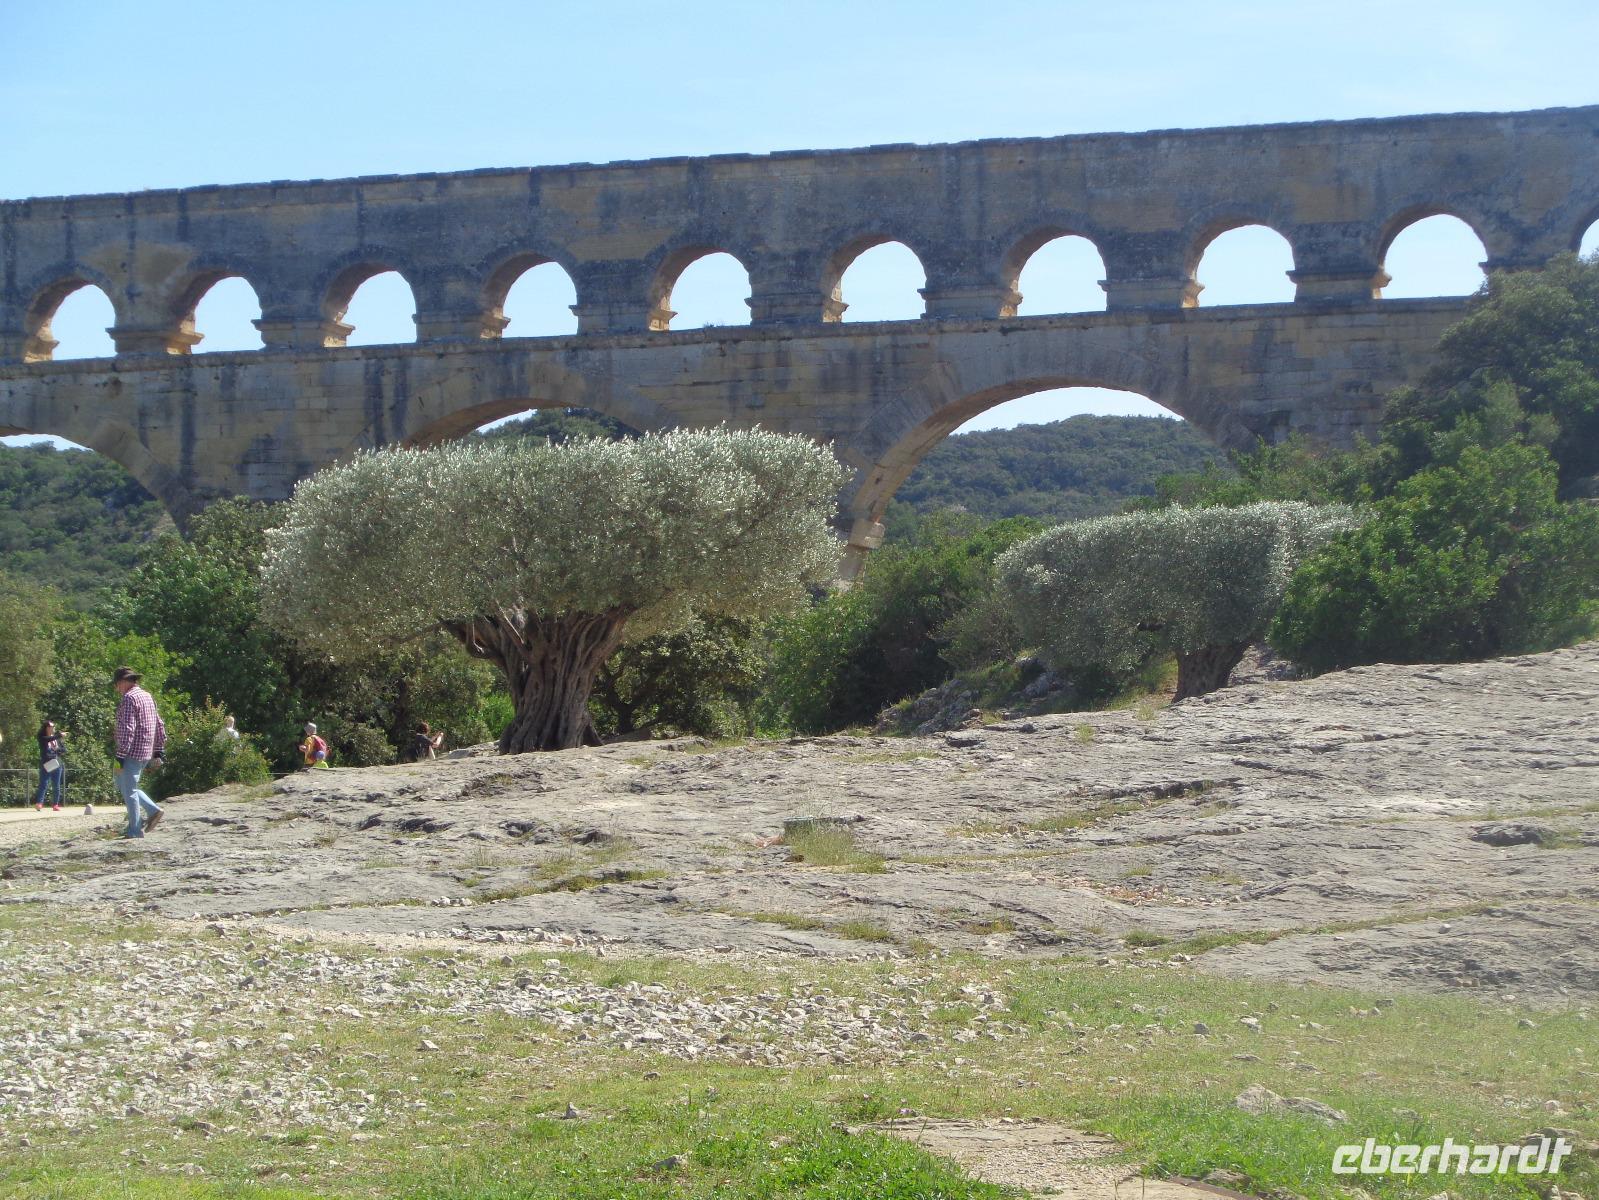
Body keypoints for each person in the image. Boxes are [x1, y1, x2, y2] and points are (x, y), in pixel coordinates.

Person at [111, 667, 165, 839]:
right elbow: (160, 724)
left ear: (123, 682)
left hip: (130, 752)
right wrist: (158, 750)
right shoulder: (147, 696)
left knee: (130, 790)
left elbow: (128, 730)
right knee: (123, 784)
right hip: (145, 751)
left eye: (117, 684)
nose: (116, 689)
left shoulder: (129, 698)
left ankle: (135, 830)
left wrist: (120, 756)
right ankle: (152, 810)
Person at [34, 720, 66, 812]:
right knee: (43, 783)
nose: (52, 728)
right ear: (46, 728)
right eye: (50, 727)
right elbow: (47, 740)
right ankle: (39, 803)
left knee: (56, 785)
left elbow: (64, 750)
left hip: (56, 763)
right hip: (46, 764)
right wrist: (59, 735)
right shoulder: (42, 736)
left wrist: (57, 749)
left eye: (53, 727)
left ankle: (55, 804)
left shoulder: (56, 738)